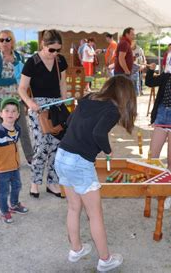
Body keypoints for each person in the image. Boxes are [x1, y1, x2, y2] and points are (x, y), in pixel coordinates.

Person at [55, 75, 136, 272]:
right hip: (79, 163)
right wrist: (107, 150)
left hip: (61, 156)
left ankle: (76, 250)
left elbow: (69, 120)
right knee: (95, 215)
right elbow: (98, 134)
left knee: (74, 207)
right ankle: (105, 260)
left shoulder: (89, 97)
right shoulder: (112, 110)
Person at [18, 29, 67, 198]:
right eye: (51, 50)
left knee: (57, 146)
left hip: (56, 107)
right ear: (43, 45)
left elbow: (62, 84)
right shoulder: (32, 62)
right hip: (38, 108)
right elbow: (22, 89)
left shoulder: (60, 60)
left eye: (58, 50)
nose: (55, 53)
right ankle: (35, 182)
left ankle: (53, 183)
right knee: (41, 147)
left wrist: (64, 102)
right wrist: (31, 103)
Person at [0, 30, 33, 164]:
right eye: (1, 40)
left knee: (23, 130)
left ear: (12, 41)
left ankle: (30, 157)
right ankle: (7, 159)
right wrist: (15, 79)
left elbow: (25, 77)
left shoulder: (19, 57)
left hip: (17, 100)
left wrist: (14, 63)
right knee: (3, 131)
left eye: (7, 39)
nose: (4, 43)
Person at [0, 98, 29, 223]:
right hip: (2, 169)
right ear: (1, 114)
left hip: (14, 167)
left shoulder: (17, 129)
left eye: (13, 111)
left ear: (18, 115)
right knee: (4, 192)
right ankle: (4, 212)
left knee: (17, 186)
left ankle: (14, 205)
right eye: (7, 111)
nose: (10, 113)